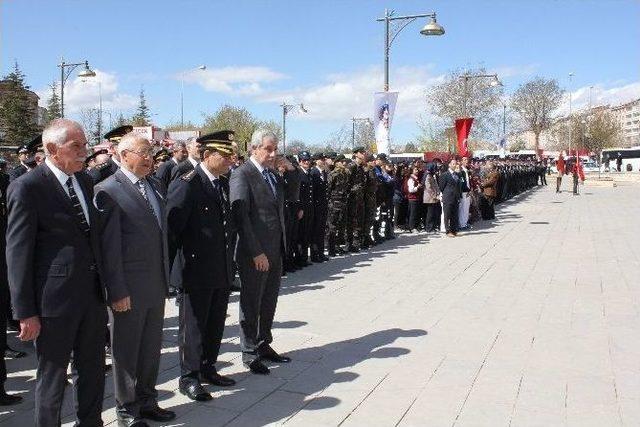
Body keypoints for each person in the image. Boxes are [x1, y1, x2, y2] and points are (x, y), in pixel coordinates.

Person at [7, 119, 108, 425]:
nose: (84, 152)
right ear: (51, 149)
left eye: (85, 145)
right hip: (53, 304)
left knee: (91, 369)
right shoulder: (28, 187)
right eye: (76, 146)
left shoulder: (87, 182)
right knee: (52, 376)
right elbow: (18, 252)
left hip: (91, 296)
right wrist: (25, 311)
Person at [95, 133, 175, 426]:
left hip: (155, 282)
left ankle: (147, 400)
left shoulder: (154, 185)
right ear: (123, 154)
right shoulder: (107, 190)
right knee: (127, 351)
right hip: (127, 287)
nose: (149, 157)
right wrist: (116, 289)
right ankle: (127, 410)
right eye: (143, 152)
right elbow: (109, 248)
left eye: (151, 152)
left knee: (151, 348)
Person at [167, 131, 237, 402]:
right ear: (208, 156)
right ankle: (189, 377)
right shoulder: (188, 183)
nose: (231, 159)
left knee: (215, 323)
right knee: (193, 327)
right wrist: (169, 274)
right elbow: (172, 232)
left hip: (219, 267)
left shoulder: (222, 182)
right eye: (225, 155)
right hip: (194, 270)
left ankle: (208, 367)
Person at [230, 129, 291, 376]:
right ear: (254, 148)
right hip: (254, 253)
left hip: (274, 250)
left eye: (275, 148)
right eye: (268, 148)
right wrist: (256, 252)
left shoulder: (273, 175)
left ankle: (264, 343)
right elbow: (241, 217)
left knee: (269, 300)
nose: (273, 153)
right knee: (251, 301)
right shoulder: (242, 174)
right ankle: (249, 351)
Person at [326, 155, 349, 256]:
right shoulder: (333, 174)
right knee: (332, 227)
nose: (344, 163)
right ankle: (331, 249)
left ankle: (337, 246)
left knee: (341, 226)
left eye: (344, 161)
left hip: (343, 203)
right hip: (334, 204)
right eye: (341, 161)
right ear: (336, 163)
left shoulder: (344, 174)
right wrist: (330, 203)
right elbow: (328, 190)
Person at [296, 151, 314, 266]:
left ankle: (304, 258)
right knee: (300, 234)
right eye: (304, 160)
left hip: (309, 207)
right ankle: (300, 259)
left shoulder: (308, 173)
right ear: (299, 161)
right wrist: (300, 208)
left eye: (308, 160)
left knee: (307, 232)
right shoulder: (299, 174)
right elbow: (298, 194)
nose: (306, 162)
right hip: (302, 209)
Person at [309, 153, 329, 262]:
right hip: (316, 207)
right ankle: (314, 254)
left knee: (321, 230)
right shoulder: (314, 173)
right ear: (316, 161)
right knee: (315, 231)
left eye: (324, 159)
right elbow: (313, 192)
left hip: (323, 206)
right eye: (321, 159)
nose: (323, 161)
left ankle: (320, 253)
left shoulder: (323, 173)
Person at [439, 159, 462, 237]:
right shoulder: (445, 175)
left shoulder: (457, 174)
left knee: (454, 215)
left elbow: (458, 186)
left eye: (455, 164)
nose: (454, 165)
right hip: (448, 197)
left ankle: (453, 230)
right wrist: (447, 193)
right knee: (447, 215)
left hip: (455, 198)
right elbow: (441, 187)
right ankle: (447, 231)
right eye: (453, 164)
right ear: (449, 165)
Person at [422, 163, 441, 232]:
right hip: (430, 198)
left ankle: (432, 227)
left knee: (433, 213)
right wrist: (435, 196)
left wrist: (438, 193)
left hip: (433, 197)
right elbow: (428, 188)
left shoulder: (431, 175)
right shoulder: (428, 176)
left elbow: (435, 186)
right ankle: (429, 228)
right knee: (430, 214)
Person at [405, 165, 423, 232]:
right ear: (412, 171)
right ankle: (412, 227)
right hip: (412, 198)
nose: (417, 171)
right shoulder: (411, 179)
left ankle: (415, 226)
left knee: (415, 213)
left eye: (417, 170)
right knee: (413, 214)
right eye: (415, 170)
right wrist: (417, 187)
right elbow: (411, 190)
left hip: (416, 198)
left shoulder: (416, 178)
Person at [457, 157, 471, 230]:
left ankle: (465, 222)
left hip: (468, 191)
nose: (466, 161)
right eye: (465, 160)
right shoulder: (461, 170)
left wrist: (470, 190)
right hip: (463, 192)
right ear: (461, 161)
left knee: (466, 208)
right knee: (462, 208)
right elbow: (462, 182)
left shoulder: (467, 170)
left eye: (467, 159)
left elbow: (469, 181)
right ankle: (461, 224)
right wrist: (468, 190)